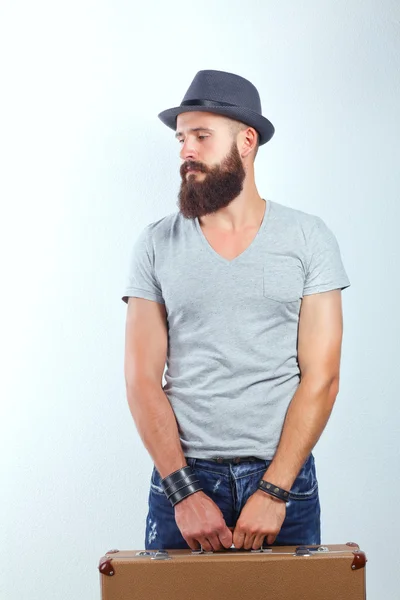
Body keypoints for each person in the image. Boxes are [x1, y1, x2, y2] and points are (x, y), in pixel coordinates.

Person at [121, 70, 351, 553]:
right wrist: (183, 492)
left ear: (246, 141)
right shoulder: (156, 243)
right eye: (182, 138)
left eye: (201, 136)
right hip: (183, 479)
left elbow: (322, 376)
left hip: (283, 478)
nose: (186, 150)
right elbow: (142, 379)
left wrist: (273, 489)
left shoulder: (308, 238)